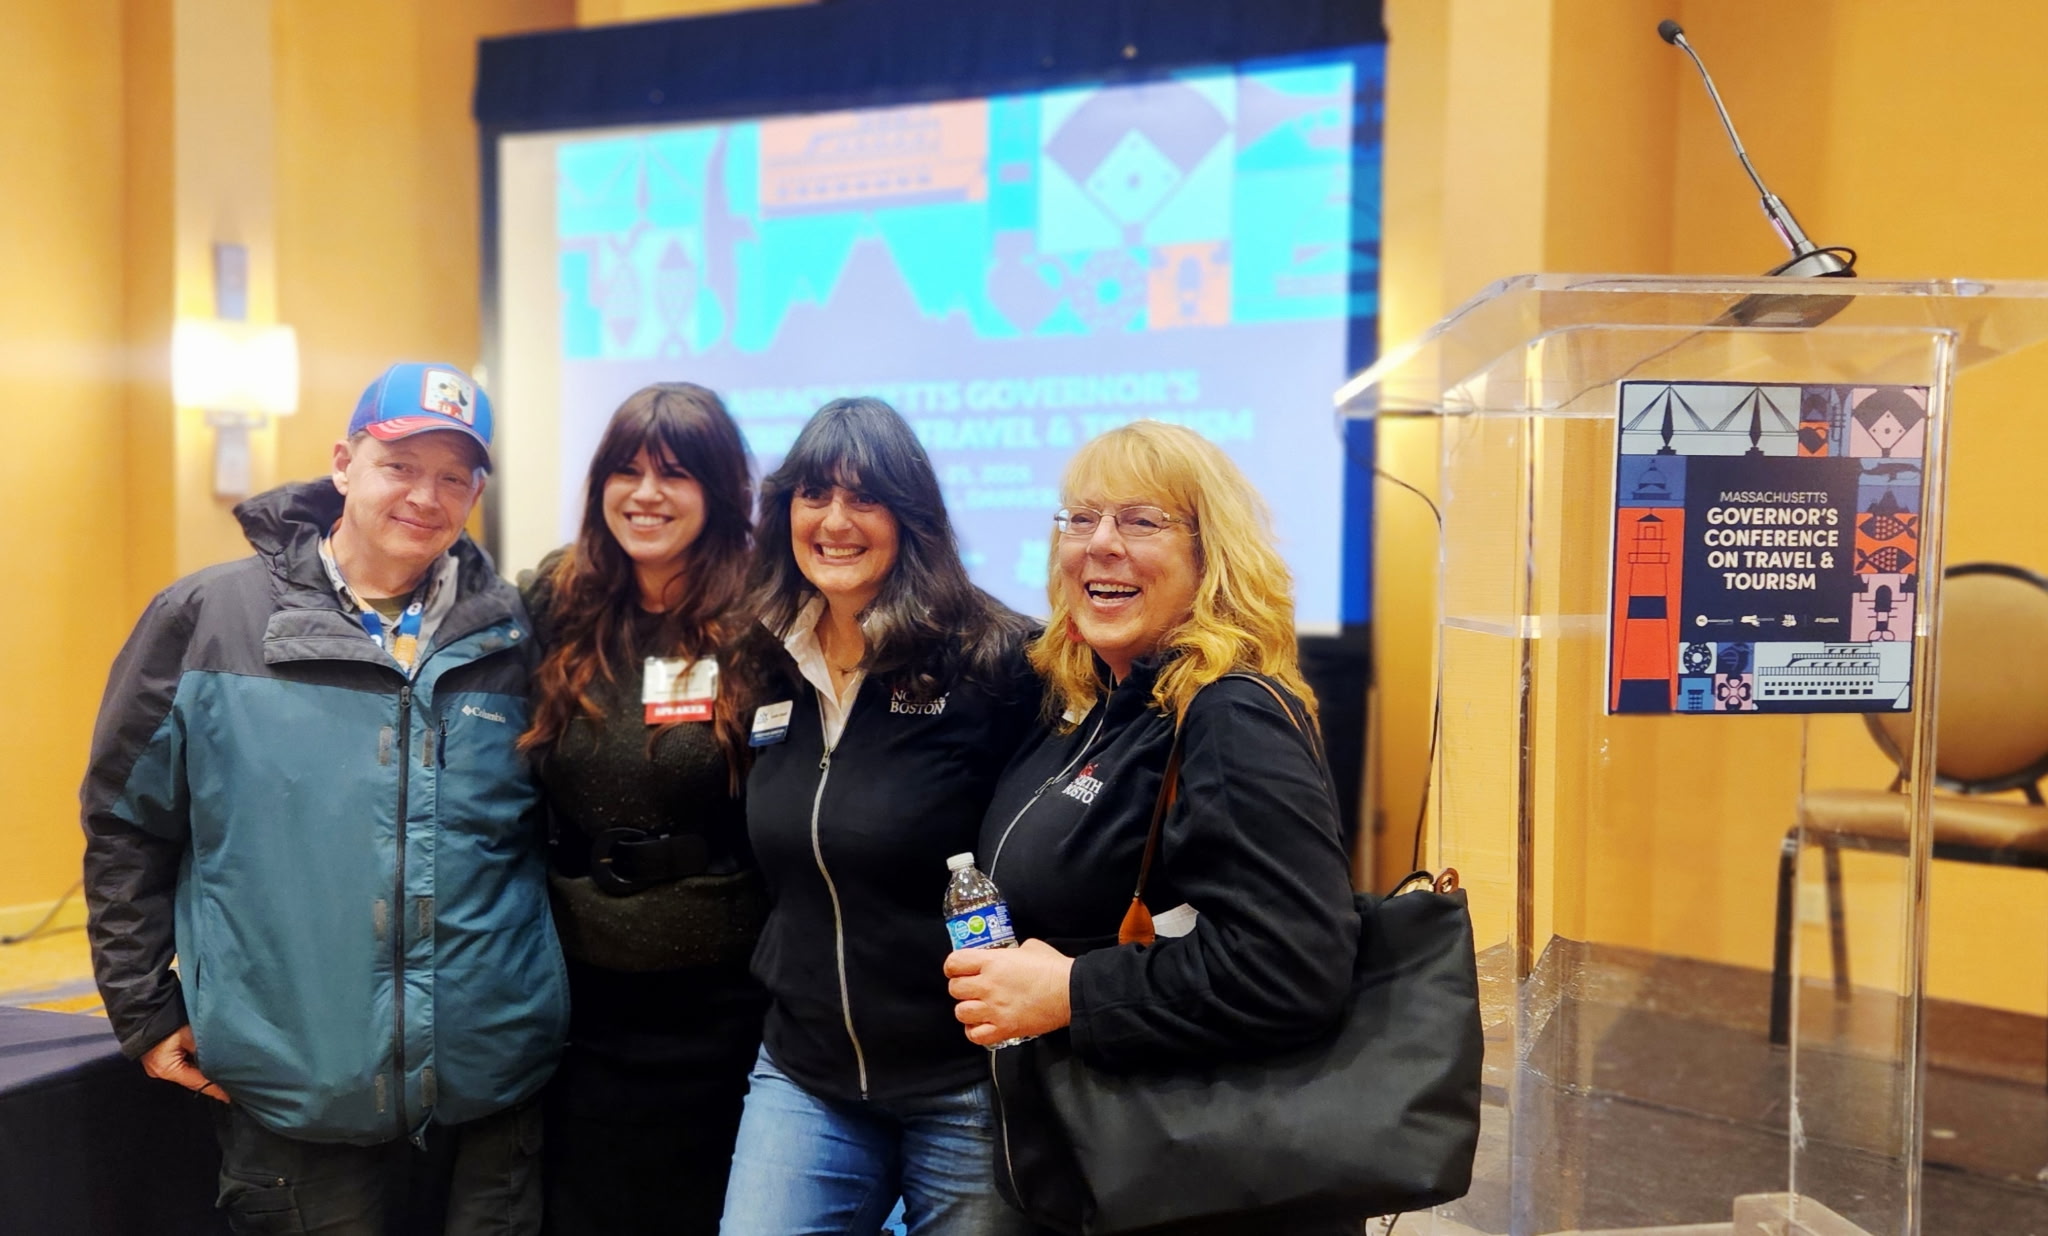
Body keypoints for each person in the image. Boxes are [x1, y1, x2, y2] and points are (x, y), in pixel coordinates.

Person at [81, 363, 569, 1235]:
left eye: (453, 475)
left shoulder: (514, 635)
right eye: (400, 465)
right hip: (295, 1093)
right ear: (343, 464)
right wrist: (143, 1008)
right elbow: (126, 824)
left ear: (478, 493)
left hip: (491, 1093)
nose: (425, 495)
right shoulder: (207, 619)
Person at [945, 419, 1361, 1234]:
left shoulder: (1230, 714)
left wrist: (1068, 990)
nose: (1100, 545)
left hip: (1196, 1184)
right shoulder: (1094, 708)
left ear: (1213, 557)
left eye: (1142, 521)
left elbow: (1295, 968)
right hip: (1084, 1162)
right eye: (1080, 517)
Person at [719, 397, 1039, 1236]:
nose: (834, 521)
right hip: (806, 1071)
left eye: (865, 498)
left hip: (965, 1081)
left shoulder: (993, 659)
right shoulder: (766, 658)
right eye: (813, 495)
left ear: (910, 516)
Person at [517, 383, 768, 1234]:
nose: (646, 494)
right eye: (626, 471)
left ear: (721, 490)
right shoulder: (558, 600)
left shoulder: (769, 616)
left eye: (675, 474)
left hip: (723, 1005)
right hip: (579, 1000)